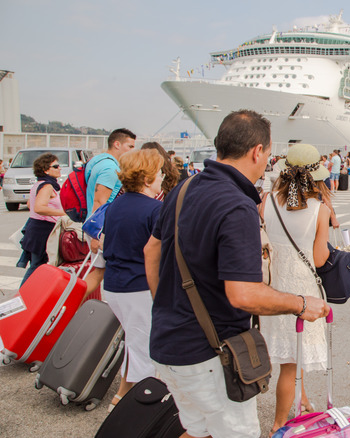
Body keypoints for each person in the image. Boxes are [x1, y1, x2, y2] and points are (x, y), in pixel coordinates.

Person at [145, 110, 330, 438]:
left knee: (198, 429)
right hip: (210, 355)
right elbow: (242, 294)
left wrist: (170, 309)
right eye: (268, 154)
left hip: (167, 342)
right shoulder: (236, 204)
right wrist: (301, 303)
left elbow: (151, 251)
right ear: (257, 151)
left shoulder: (184, 189)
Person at [259, 143, 332, 436]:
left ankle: (301, 401)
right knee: (290, 363)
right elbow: (319, 258)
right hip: (302, 289)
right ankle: (278, 424)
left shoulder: (266, 201)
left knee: (293, 353)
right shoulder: (320, 210)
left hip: (274, 288)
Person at [102, 149, 165, 411]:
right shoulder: (156, 209)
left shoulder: (117, 204)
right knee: (146, 353)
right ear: (148, 178)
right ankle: (138, 411)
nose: (162, 176)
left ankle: (121, 397)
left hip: (115, 286)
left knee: (133, 344)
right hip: (139, 287)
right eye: (159, 172)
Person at [83, 128, 136, 298]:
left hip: (96, 226)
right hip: (100, 228)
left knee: (98, 273)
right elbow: (100, 201)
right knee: (97, 274)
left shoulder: (96, 161)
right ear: (117, 144)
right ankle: (68, 305)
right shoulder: (110, 168)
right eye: (130, 146)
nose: (132, 151)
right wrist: (97, 235)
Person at [20, 153, 65, 286]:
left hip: (36, 228)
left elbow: (30, 204)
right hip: (43, 230)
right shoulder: (47, 186)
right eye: (56, 166)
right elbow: (39, 207)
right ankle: (22, 297)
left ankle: (25, 296)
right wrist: (62, 213)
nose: (59, 168)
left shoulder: (39, 184)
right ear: (46, 170)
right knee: (38, 266)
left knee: (37, 265)